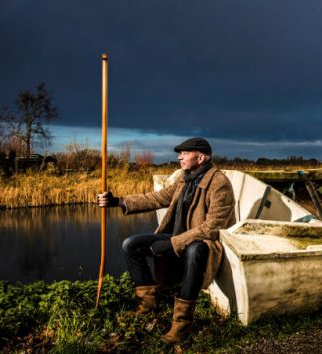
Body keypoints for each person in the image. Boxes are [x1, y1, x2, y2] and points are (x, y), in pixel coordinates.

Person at [98, 137, 235, 344]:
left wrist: (172, 243)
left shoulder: (219, 183)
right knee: (131, 245)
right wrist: (118, 201)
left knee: (194, 250)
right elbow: (158, 198)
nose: (179, 157)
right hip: (177, 235)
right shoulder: (184, 177)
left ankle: (181, 325)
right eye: (180, 153)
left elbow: (212, 228)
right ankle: (148, 305)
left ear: (201, 157)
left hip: (204, 242)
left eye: (184, 153)